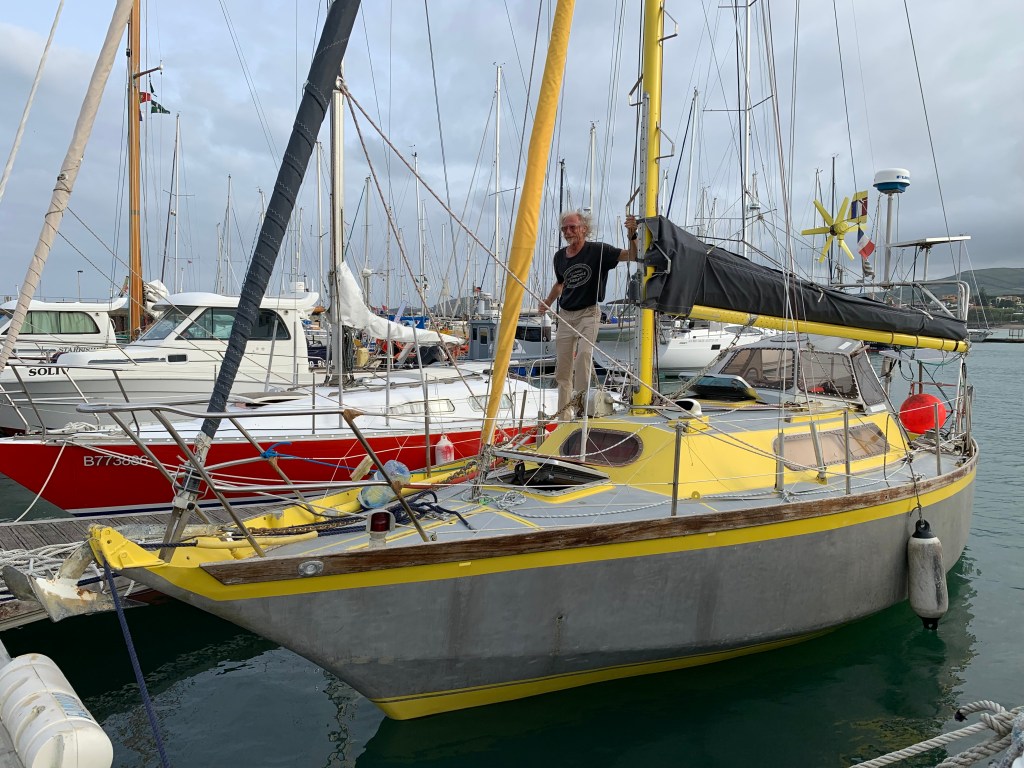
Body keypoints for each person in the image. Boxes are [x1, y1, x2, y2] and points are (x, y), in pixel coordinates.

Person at [539, 210, 638, 417]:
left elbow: (632, 255)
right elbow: (560, 283)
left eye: (572, 227)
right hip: (566, 315)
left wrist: (632, 234)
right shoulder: (559, 257)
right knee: (563, 371)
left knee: (583, 356)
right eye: (564, 228)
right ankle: (564, 418)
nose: (568, 232)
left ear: (584, 229)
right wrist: (548, 302)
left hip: (588, 313)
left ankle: (581, 412)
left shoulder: (599, 251)